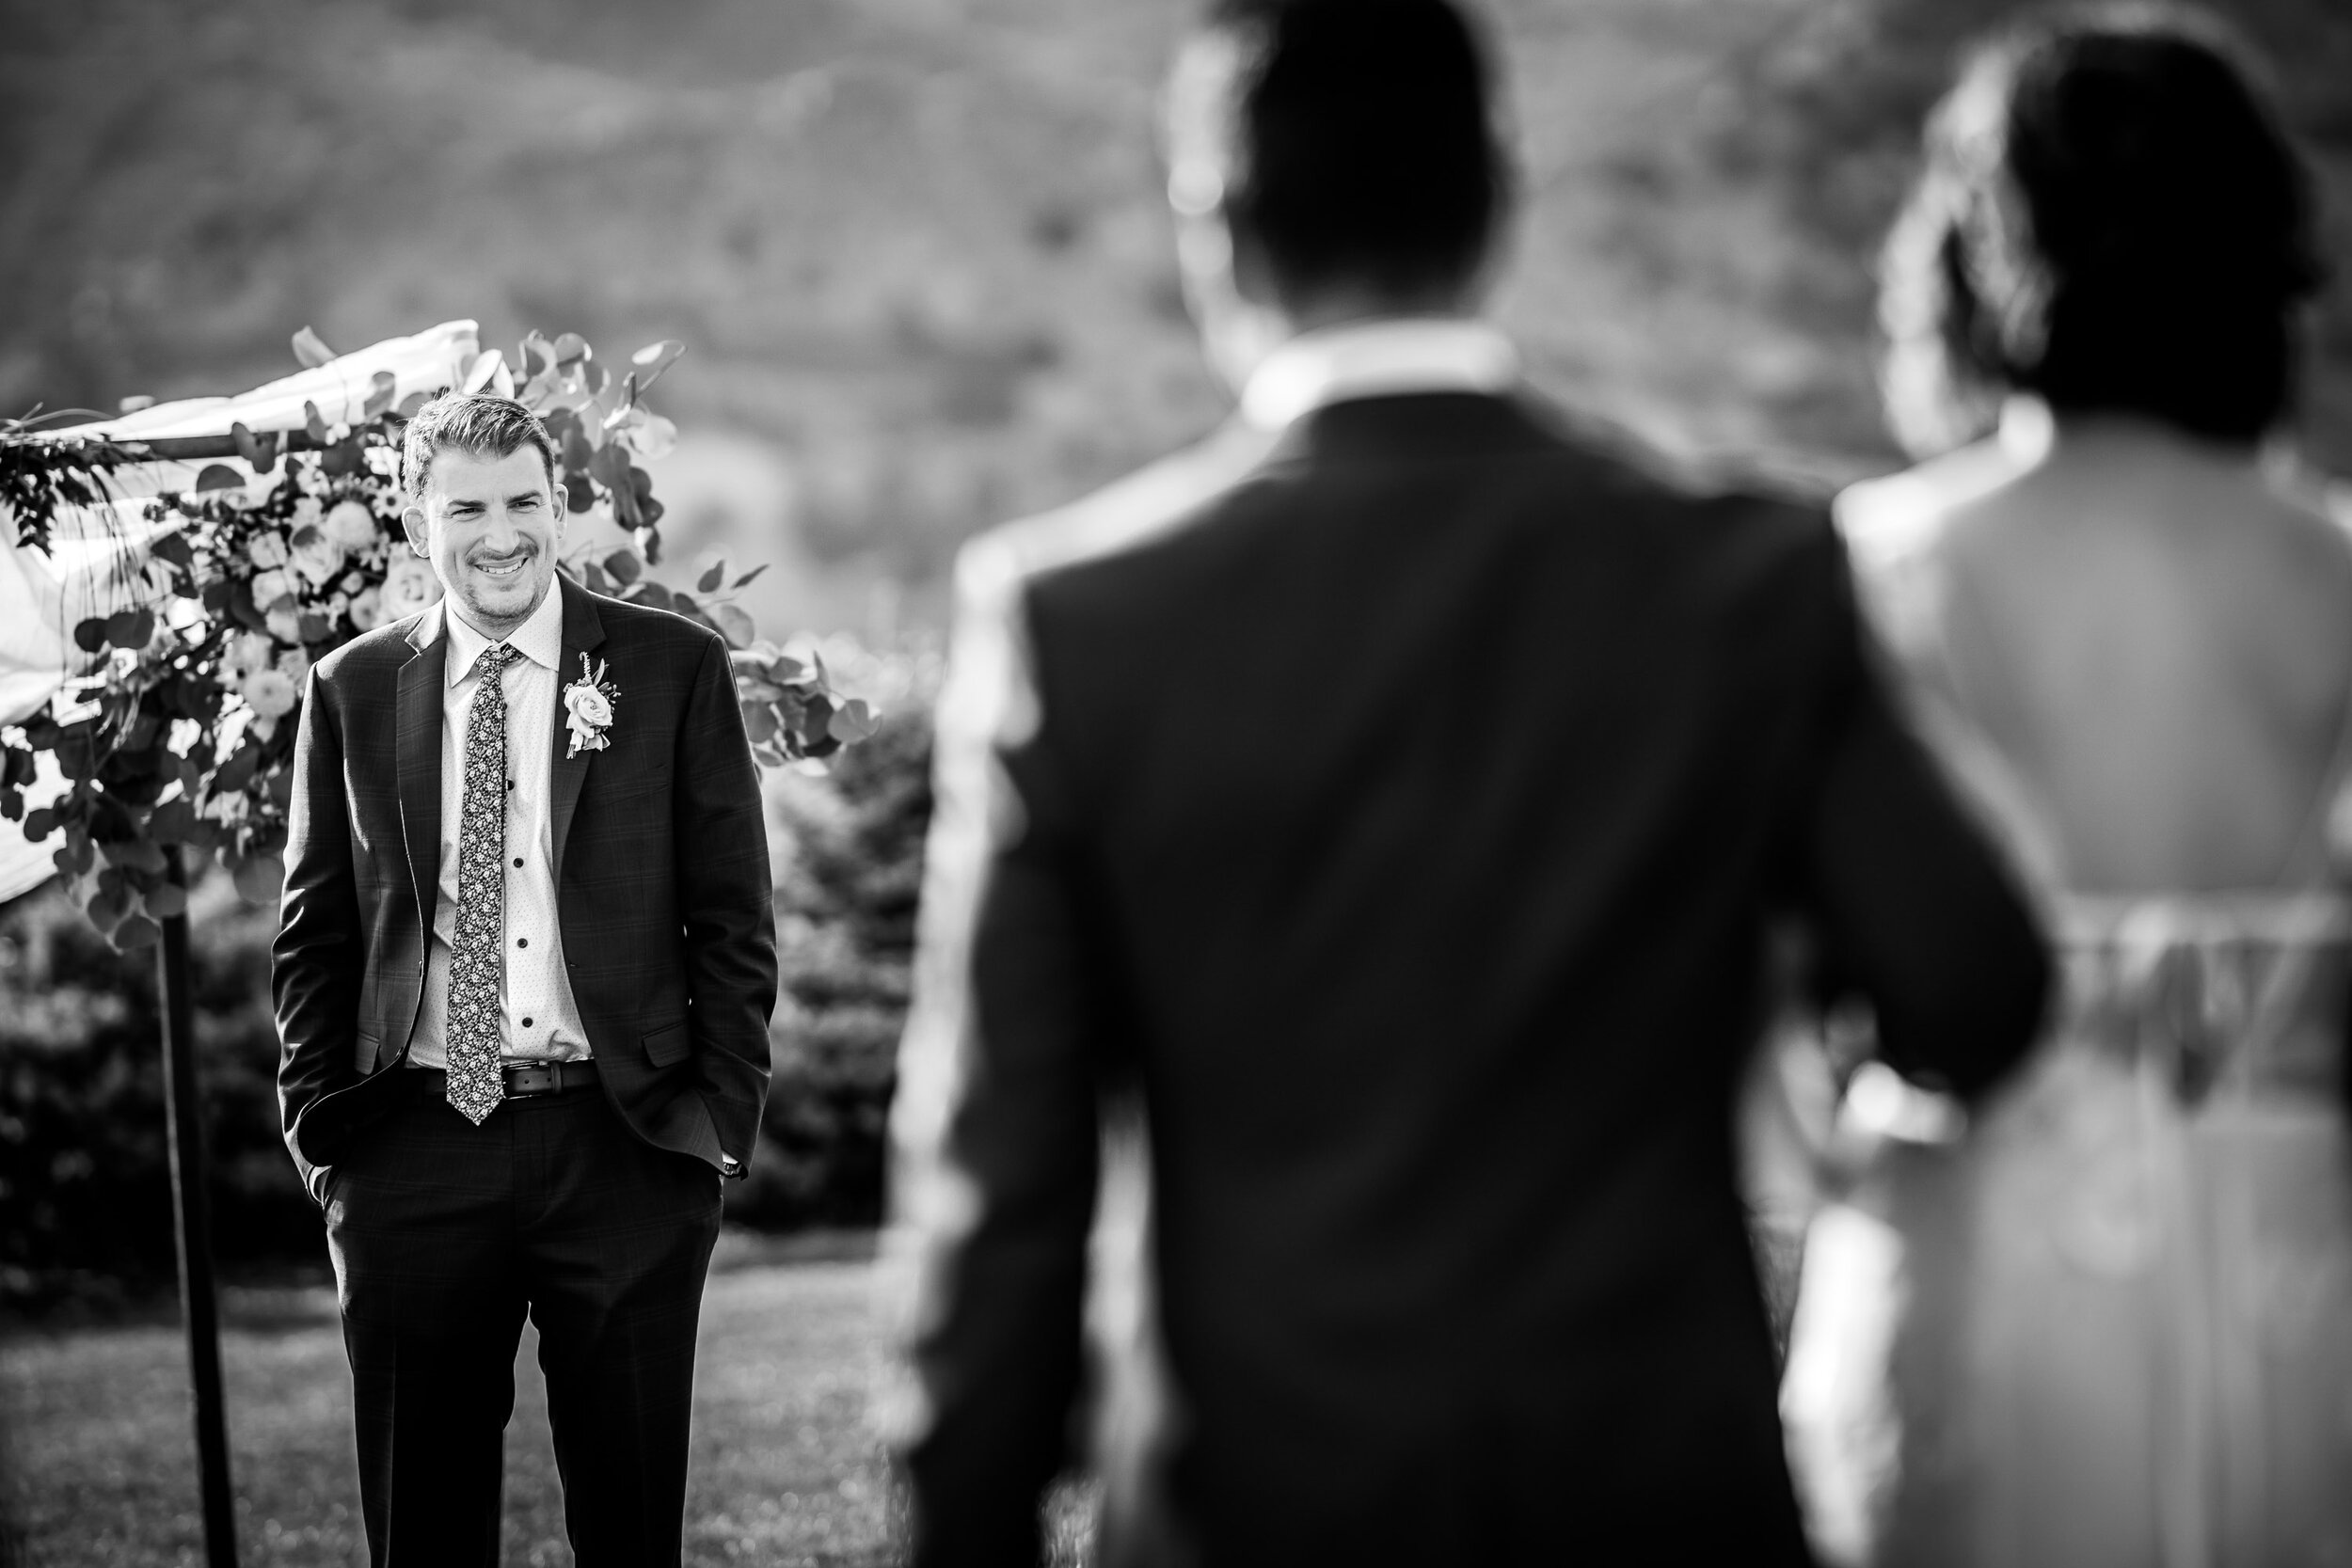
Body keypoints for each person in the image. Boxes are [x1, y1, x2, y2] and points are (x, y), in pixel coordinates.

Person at [882, 3, 2050, 1563]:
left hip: (1253, 1500)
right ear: (1499, 196)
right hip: (1657, 1495)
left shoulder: (1077, 621)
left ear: (1213, 230)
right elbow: (1971, 991)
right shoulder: (1744, 580)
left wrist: (964, 1516)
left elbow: (999, 1190)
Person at [1778, 10, 2352, 1565]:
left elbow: (1761, 983)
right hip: (2300, 1273)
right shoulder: (2342, 572)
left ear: (1968, 256)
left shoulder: (1860, 570)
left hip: (1960, 1240)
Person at [273, 392, 776, 1566]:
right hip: (412, 1148)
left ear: (558, 507)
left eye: (522, 503)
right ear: (415, 520)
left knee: (630, 1517)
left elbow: (734, 919)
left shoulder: (669, 666)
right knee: (423, 1526)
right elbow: (316, 930)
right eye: (466, 508)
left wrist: (715, 1122)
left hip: (628, 1146)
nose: (499, 534)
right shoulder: (350, 687)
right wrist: (321, 1135)